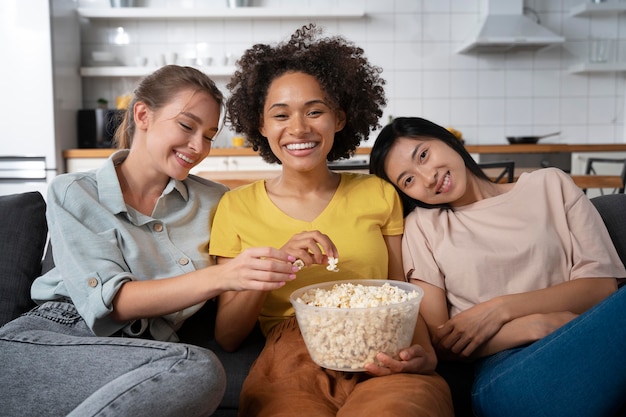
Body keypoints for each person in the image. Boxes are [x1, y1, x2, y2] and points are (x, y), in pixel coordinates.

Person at [0, 65, 299, 417]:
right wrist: (225, 275)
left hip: (147, 356)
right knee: (194, 367)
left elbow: (268, 225)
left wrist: (290, 247)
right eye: (187, 126)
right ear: (142, 114)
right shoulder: (75, 191)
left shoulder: (219, 201)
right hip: (49, 339)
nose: (198, 146)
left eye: (208, 136)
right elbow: (113, 303)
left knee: (194, 372)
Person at [208, 25, 454, 417]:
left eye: (315, 111)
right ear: (261, 125)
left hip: (385, 347)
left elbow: (402, 293)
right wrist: (278, 265)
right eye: (281, 114)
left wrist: (424, 356)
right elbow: (229, 336)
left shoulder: (378, 193)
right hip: (291, 354)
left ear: (339, 118)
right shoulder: (235, 207)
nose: (299, 128)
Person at [369, 116, 626, 417]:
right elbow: (441, 341)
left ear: (449, 140)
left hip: (590, 338)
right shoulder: (424, 227)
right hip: (507, 369)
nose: (428, 178)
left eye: (423, 155)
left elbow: (600, 286)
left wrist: (501, 308)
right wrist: (533, 326)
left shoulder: (551, 184)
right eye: (408, 180)